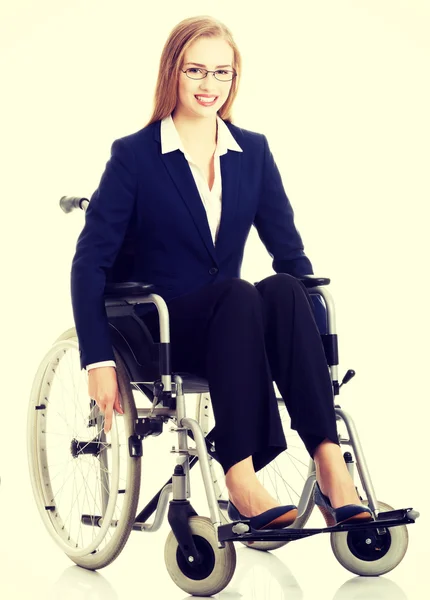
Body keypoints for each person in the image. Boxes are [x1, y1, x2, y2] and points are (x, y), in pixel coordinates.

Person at [71, 15, 372, 530]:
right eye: (196, 71)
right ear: (173, 73)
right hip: (161, 328)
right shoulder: (135, 156)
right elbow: (89, 262)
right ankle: (239, 475)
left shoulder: (251, 152)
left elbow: (290, 254)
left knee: (281, 287)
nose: (209, 85)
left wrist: (316, 340)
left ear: (235, 79)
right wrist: (96, 359)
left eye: (222, 73)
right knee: (237, 292)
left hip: (238, 323)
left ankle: (329, 462)